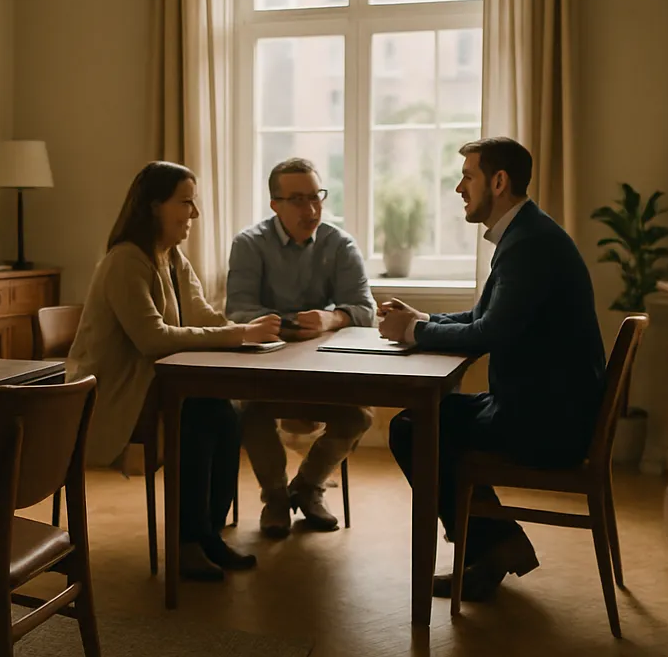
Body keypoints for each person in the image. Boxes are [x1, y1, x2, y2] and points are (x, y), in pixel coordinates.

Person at [377, 137, 605, 601]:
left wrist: (412, 334)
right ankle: (495, 546)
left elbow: (488, 334)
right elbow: (485, 318)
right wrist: (421, 320)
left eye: (468, 176)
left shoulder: (528, 245)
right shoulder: (528, 235)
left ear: (498, 182)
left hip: (545, 424)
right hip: (544, 406)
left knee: (412, 429)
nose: (459, 188)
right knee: (418, 425)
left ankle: (493, 546)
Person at [66, 161, 282, 582]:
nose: (193, 214)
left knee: (224, 413)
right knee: (199, 416)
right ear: (153, 207)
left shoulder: (171, 257)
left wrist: (252, 334)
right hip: (109, 392)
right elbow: (154, 339)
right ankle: (187, 543)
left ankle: (206, 536)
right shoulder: (126, 261)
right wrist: (239, 334)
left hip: (151, 385)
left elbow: (200, 313)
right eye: (185, 203)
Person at [226, 158, 376, 537]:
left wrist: (333, 319)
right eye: (297, 200)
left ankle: (307, 487)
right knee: (248, 413)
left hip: (327, 370)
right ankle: (275, 497)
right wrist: (294, 324)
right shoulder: (249, 243)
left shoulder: (339, 244)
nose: (310, 210)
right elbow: (239, 311)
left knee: (358, 416)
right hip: (268, 368)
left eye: (316, 197)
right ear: (274, 204)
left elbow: (365, 310)